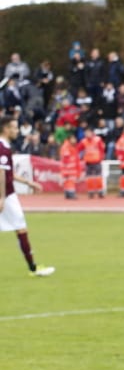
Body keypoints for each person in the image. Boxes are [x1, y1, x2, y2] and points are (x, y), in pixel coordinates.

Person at [0, 118, 56, 276]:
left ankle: (33, 267)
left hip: (6, 194)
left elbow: (9, 173)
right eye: (14, 128)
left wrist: (29, 183)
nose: (17, 131)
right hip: (7, 195)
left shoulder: (4, 147)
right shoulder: (2, 148)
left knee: (20, 228)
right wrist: (2, 197)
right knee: (21, 229)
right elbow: (1, 173)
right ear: (6, 129)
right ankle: (33, 268)